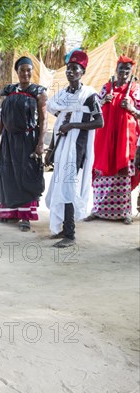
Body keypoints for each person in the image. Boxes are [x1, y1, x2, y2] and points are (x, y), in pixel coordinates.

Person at [45, 50, 104, 248]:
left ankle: (70, 234)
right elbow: (60, 122)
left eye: (75, 69)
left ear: (82, 72)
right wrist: (51, 149)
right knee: (61, 185)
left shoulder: (89, 95)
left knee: (69, 186)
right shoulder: (64, 95)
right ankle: (63, 228)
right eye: (69, 69)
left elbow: (99, 122)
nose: (71, 72)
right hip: (62, 146)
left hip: (78, 148)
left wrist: (73, 126)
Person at [0, 56, 47, 232]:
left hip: (28, 139)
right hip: (9, 140)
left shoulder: (38, 92)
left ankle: (25, 216)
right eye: (22, 70)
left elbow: (44, 120)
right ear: (16, 71)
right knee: (8, 174)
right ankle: (9, 213)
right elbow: (3, 117)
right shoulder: (9, 91)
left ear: (32, 72)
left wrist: (40, 143)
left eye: (28, 70)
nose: (25, 73)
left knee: (26, 174)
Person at [86, 55, 140, 225]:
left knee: (122, 173)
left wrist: (131, 108)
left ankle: (125, 212)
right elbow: (93, 110)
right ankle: (98, 210)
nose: (123, 72)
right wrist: (103, 101)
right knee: (102, 169)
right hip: (104, 138)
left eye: (127, 69)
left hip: (125, 139)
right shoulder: (106, 87)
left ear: (131, 72)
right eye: (121, 68)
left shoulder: (135, 89)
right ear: (116, 70)